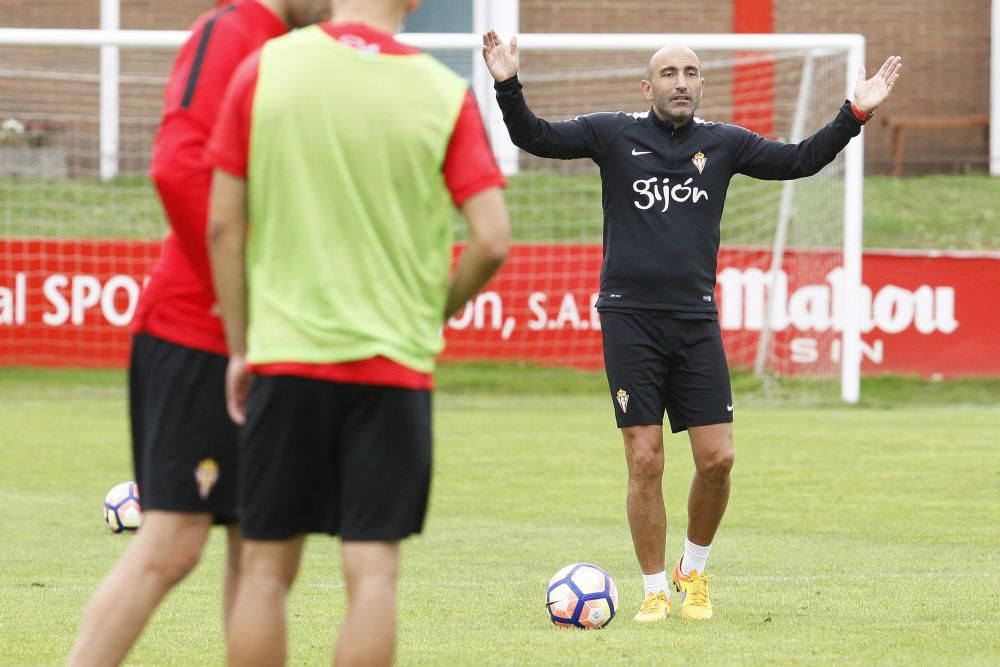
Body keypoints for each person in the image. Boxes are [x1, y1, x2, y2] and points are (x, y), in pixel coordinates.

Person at [482, 30, 901, 623]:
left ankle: (693, 572)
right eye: (670, 73)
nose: (682, 82)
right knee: (645, 459)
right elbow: (534, 136)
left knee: (718, 459)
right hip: (628, 318)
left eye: (692, 72)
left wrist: (854, 111)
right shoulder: (612, 133)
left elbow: (800, 159)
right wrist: (507, 82)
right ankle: (654, 590)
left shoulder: (724, 144)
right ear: (647, 86)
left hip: (696, 319)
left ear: (702, 84)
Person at [206, 1, 510, 664]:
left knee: (263, 571)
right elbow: (491, 238)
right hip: (392, 366)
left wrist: (239, 343)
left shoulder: (265, 69)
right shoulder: (440, 90)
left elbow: (222, 226)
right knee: (372, 572)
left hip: (286, 356)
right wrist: (434, 311)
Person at [67, 2, 331, 665]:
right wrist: (246, 287)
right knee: (176, 541)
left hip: (269, 337)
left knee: (262, 552)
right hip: (198, 332)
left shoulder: (291, 47)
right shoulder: (229, 30)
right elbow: (176, 167)